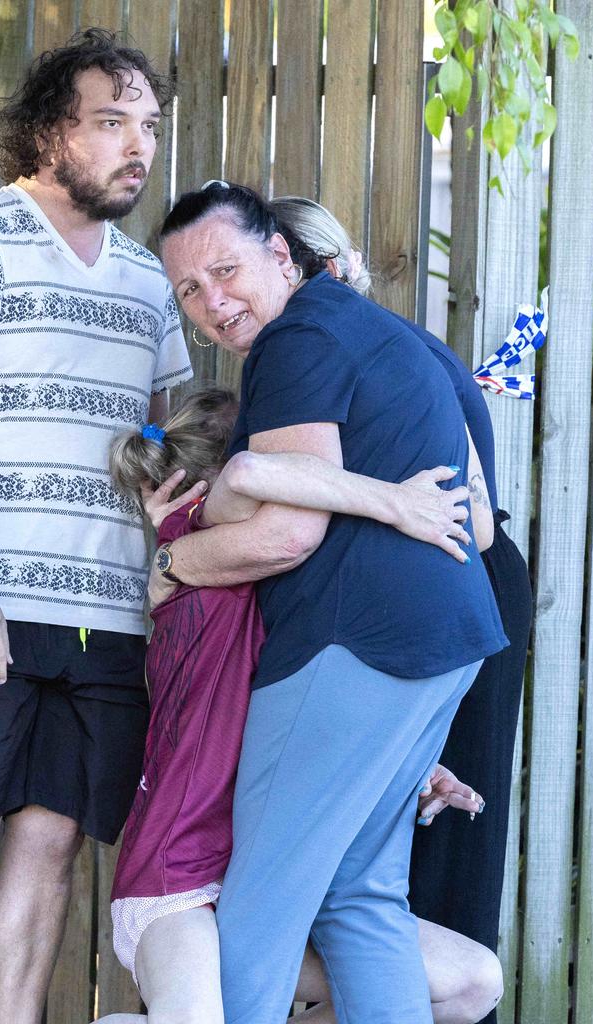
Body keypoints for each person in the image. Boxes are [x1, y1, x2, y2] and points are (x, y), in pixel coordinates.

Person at [150, 181, 508, 1024]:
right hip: (443, 640)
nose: (213, 301)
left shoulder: (298, 336)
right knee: (359, 895)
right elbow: (483, 525)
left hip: (350, 645)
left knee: (259, 909)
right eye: (190, 291)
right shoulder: (389, 336)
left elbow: (287, 535)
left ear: (282, 256)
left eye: (227, 270)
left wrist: (173, 563)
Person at [0, 29, 192, 1024]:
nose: (136, 145)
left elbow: (171, 432)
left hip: (106, 612)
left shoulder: (151, 279)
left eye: (147, 125)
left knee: (52, 837)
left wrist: (158, 464)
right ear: (49, 130)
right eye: (111, 122)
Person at [95, 385, 501, 1024]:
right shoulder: (202, 549)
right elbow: (254, 477)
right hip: (180, 882)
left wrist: (402, 765)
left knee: (472, 983)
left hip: (281, 876)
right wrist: (396, 500)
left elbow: (308, 721)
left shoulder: (293, 584)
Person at [272, 196, 532, 1024]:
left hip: (459, 597)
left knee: (438, 834)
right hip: (423, 604)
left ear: (327, 270)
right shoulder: (323, 349)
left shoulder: (389, 352)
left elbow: (476, 521)